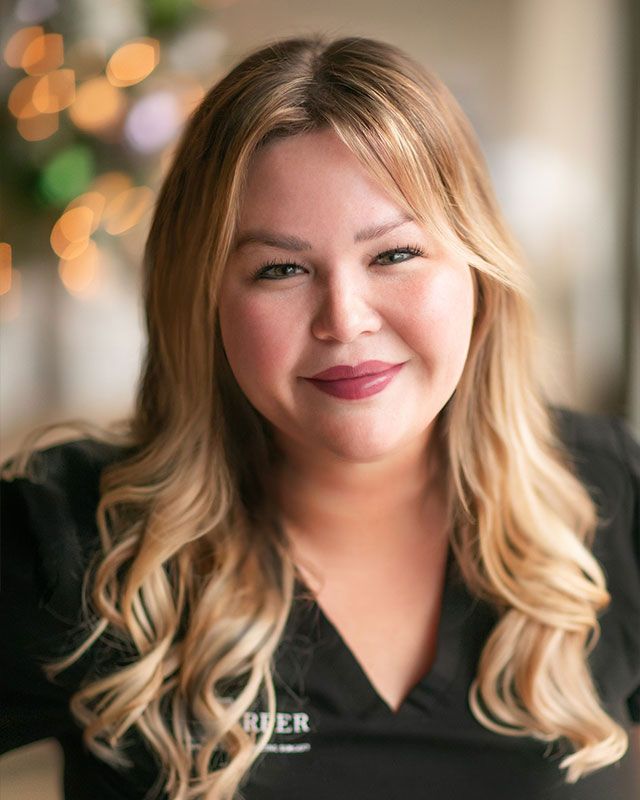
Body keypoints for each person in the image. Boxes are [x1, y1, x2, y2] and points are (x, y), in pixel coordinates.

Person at [1, 33, 638, 800]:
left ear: (477, 269)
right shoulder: (70, 538)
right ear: (203, 301)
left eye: (394, 255)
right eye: (280, 269)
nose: (345, 318)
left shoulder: (614, 498)